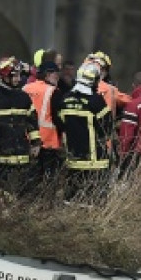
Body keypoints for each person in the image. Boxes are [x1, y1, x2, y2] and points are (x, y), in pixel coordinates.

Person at [0, 56, 41, 198]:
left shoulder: (24, 98)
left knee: (25, 194)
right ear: (5, 77)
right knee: (3, 195)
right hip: (2, 158)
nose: (18, 79)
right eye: (14, 76)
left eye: (19, 75)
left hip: (22, 156)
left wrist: (36, 143)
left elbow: (32, 121)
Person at [51, 60, 115, 199]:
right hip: (95, 161)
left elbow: (60, 123)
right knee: (95, 199)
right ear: (94, 81)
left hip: (73, 159)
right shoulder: (95, 101)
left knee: (73, 197)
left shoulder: (65, 100)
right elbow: (107, 127)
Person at [23, 58, 63, 188]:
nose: (58, 78)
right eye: (56, 74)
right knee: (48, 182)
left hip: (25, 140)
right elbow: (58, 119)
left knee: (28, 180)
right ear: (48, 74)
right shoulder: (53, 91)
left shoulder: (25, 88)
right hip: (48, 143)